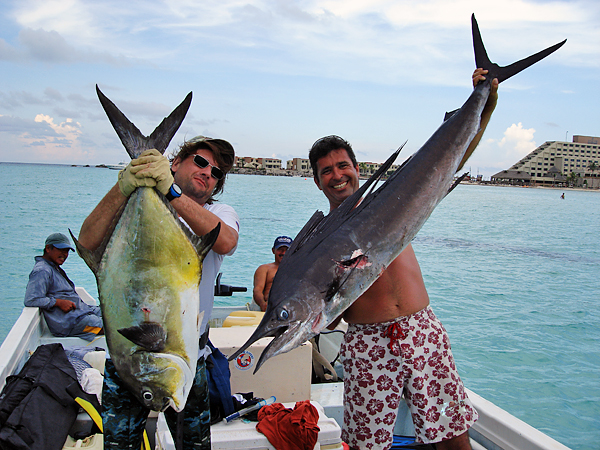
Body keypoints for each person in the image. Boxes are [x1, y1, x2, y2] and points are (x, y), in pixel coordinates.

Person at [308, 70, 498, 450]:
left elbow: (455, 154)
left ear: (357, 169)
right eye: (326, 170)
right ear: (316, 181)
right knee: (367, 444)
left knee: (453, 437)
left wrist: (487, 99)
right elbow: (326, 310)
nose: (337, 175)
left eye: (343, 165)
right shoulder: (316, 242)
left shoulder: (394, 199)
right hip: (367, 341)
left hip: (421, 328)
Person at [77, 136, 239, 450]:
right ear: (174, 163)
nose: (208, 173)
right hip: (127, 358)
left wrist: (170, 190)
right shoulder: (126, 204)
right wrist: (124, 185)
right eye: (200, 162)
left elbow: (226, 241)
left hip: (188, 358)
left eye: (216, 173)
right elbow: (87, 241)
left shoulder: (218, 212)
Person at [24, 233, 103, 341]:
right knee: (110, 327)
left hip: (81, 312)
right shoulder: (42, 270)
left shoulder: (53, 267)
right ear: (48, 248)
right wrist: (58, 302)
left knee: (112, 314)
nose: (64, 254)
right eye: (61, 250)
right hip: (71, 324)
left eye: (66, 251)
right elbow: (31, 299)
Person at [252, 236, 292, 311]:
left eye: (287, 250)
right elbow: (257, 290)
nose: (283, 253)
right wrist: (262, 304)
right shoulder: (264, 269)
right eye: (280, 250)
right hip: (269, 307)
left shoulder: (296, 270)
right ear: (273, 250)